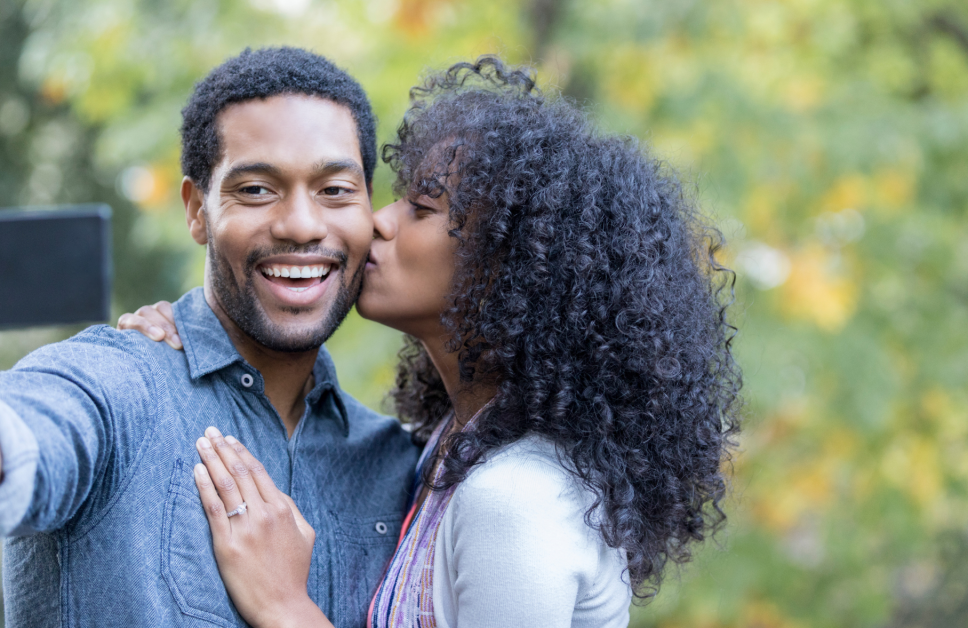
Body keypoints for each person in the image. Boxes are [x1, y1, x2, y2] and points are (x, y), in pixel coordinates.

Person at [123, 57, 742, 627]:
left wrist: (285, 606)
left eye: (420, 207)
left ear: (509, 264)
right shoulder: (448, 452)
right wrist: (190, 326)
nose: (377, 222)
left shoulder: (517, 498)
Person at [0, 47, 420, 627]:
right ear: (197, 211)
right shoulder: (116, 386)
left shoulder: (397, 463)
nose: (301, 224)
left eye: (335, 190)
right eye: (255, 190)